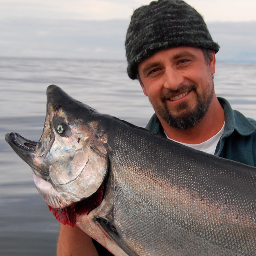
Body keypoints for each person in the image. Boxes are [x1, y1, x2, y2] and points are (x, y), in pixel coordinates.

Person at [56, 0, 256, 255]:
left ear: (211, 62)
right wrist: (73, 198)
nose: (172, 81)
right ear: (142, 85)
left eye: (183, 61)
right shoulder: (115, 172)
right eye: (154, 71)